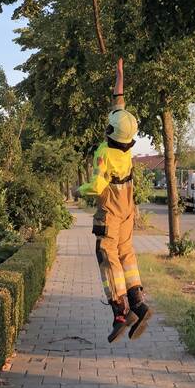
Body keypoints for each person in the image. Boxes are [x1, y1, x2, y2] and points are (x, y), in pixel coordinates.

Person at [79, 58, 152, 342]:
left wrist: (79, 190)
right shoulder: (125, 151)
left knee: (108, 256)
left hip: (109, 211)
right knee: (126, 254)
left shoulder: (104, 153)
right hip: (127, 210)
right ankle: (139, 303)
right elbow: (119, 103)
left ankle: (121, 313)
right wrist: (120, 76)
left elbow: (97, 186)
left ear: (109, 131)